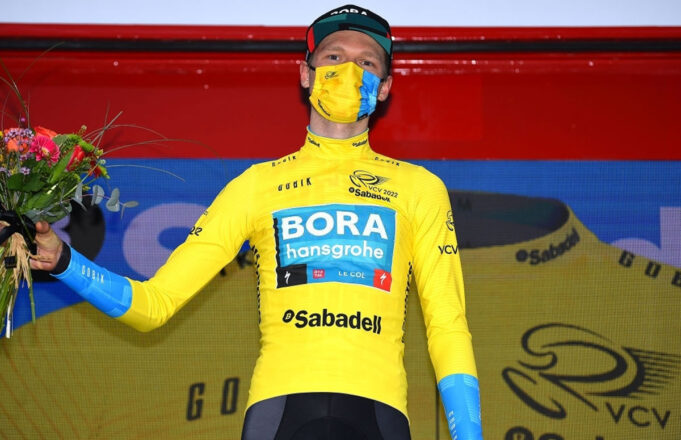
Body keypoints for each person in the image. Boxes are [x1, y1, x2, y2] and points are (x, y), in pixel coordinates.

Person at [29, 5, 483, 440]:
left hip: (379, 414)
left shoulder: (418, 188)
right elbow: (154, 305)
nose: (349, 70)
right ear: (306, 74)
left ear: (384, 87)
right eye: (333, 57)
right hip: (279, 413)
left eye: (367, 62)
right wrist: (65, 260)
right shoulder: (256, 186)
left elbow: (448, 326)